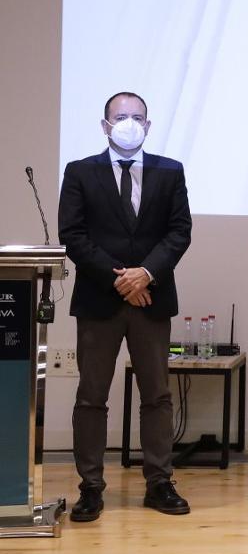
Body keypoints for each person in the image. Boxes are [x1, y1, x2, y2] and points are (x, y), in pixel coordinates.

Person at [58, 91, 192, 521]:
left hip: (152, 297)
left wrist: (145, 274)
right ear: (104, 125)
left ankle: (159, 482)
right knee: (91, 396)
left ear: (148, 126)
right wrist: (122, 279)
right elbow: (73, 235)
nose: (129, 122)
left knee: (157, 395)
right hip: (100, 299)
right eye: (120, 117)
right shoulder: (80, 171)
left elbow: (179, 231)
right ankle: (91, 487)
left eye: (137, 117)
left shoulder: (170, 172)